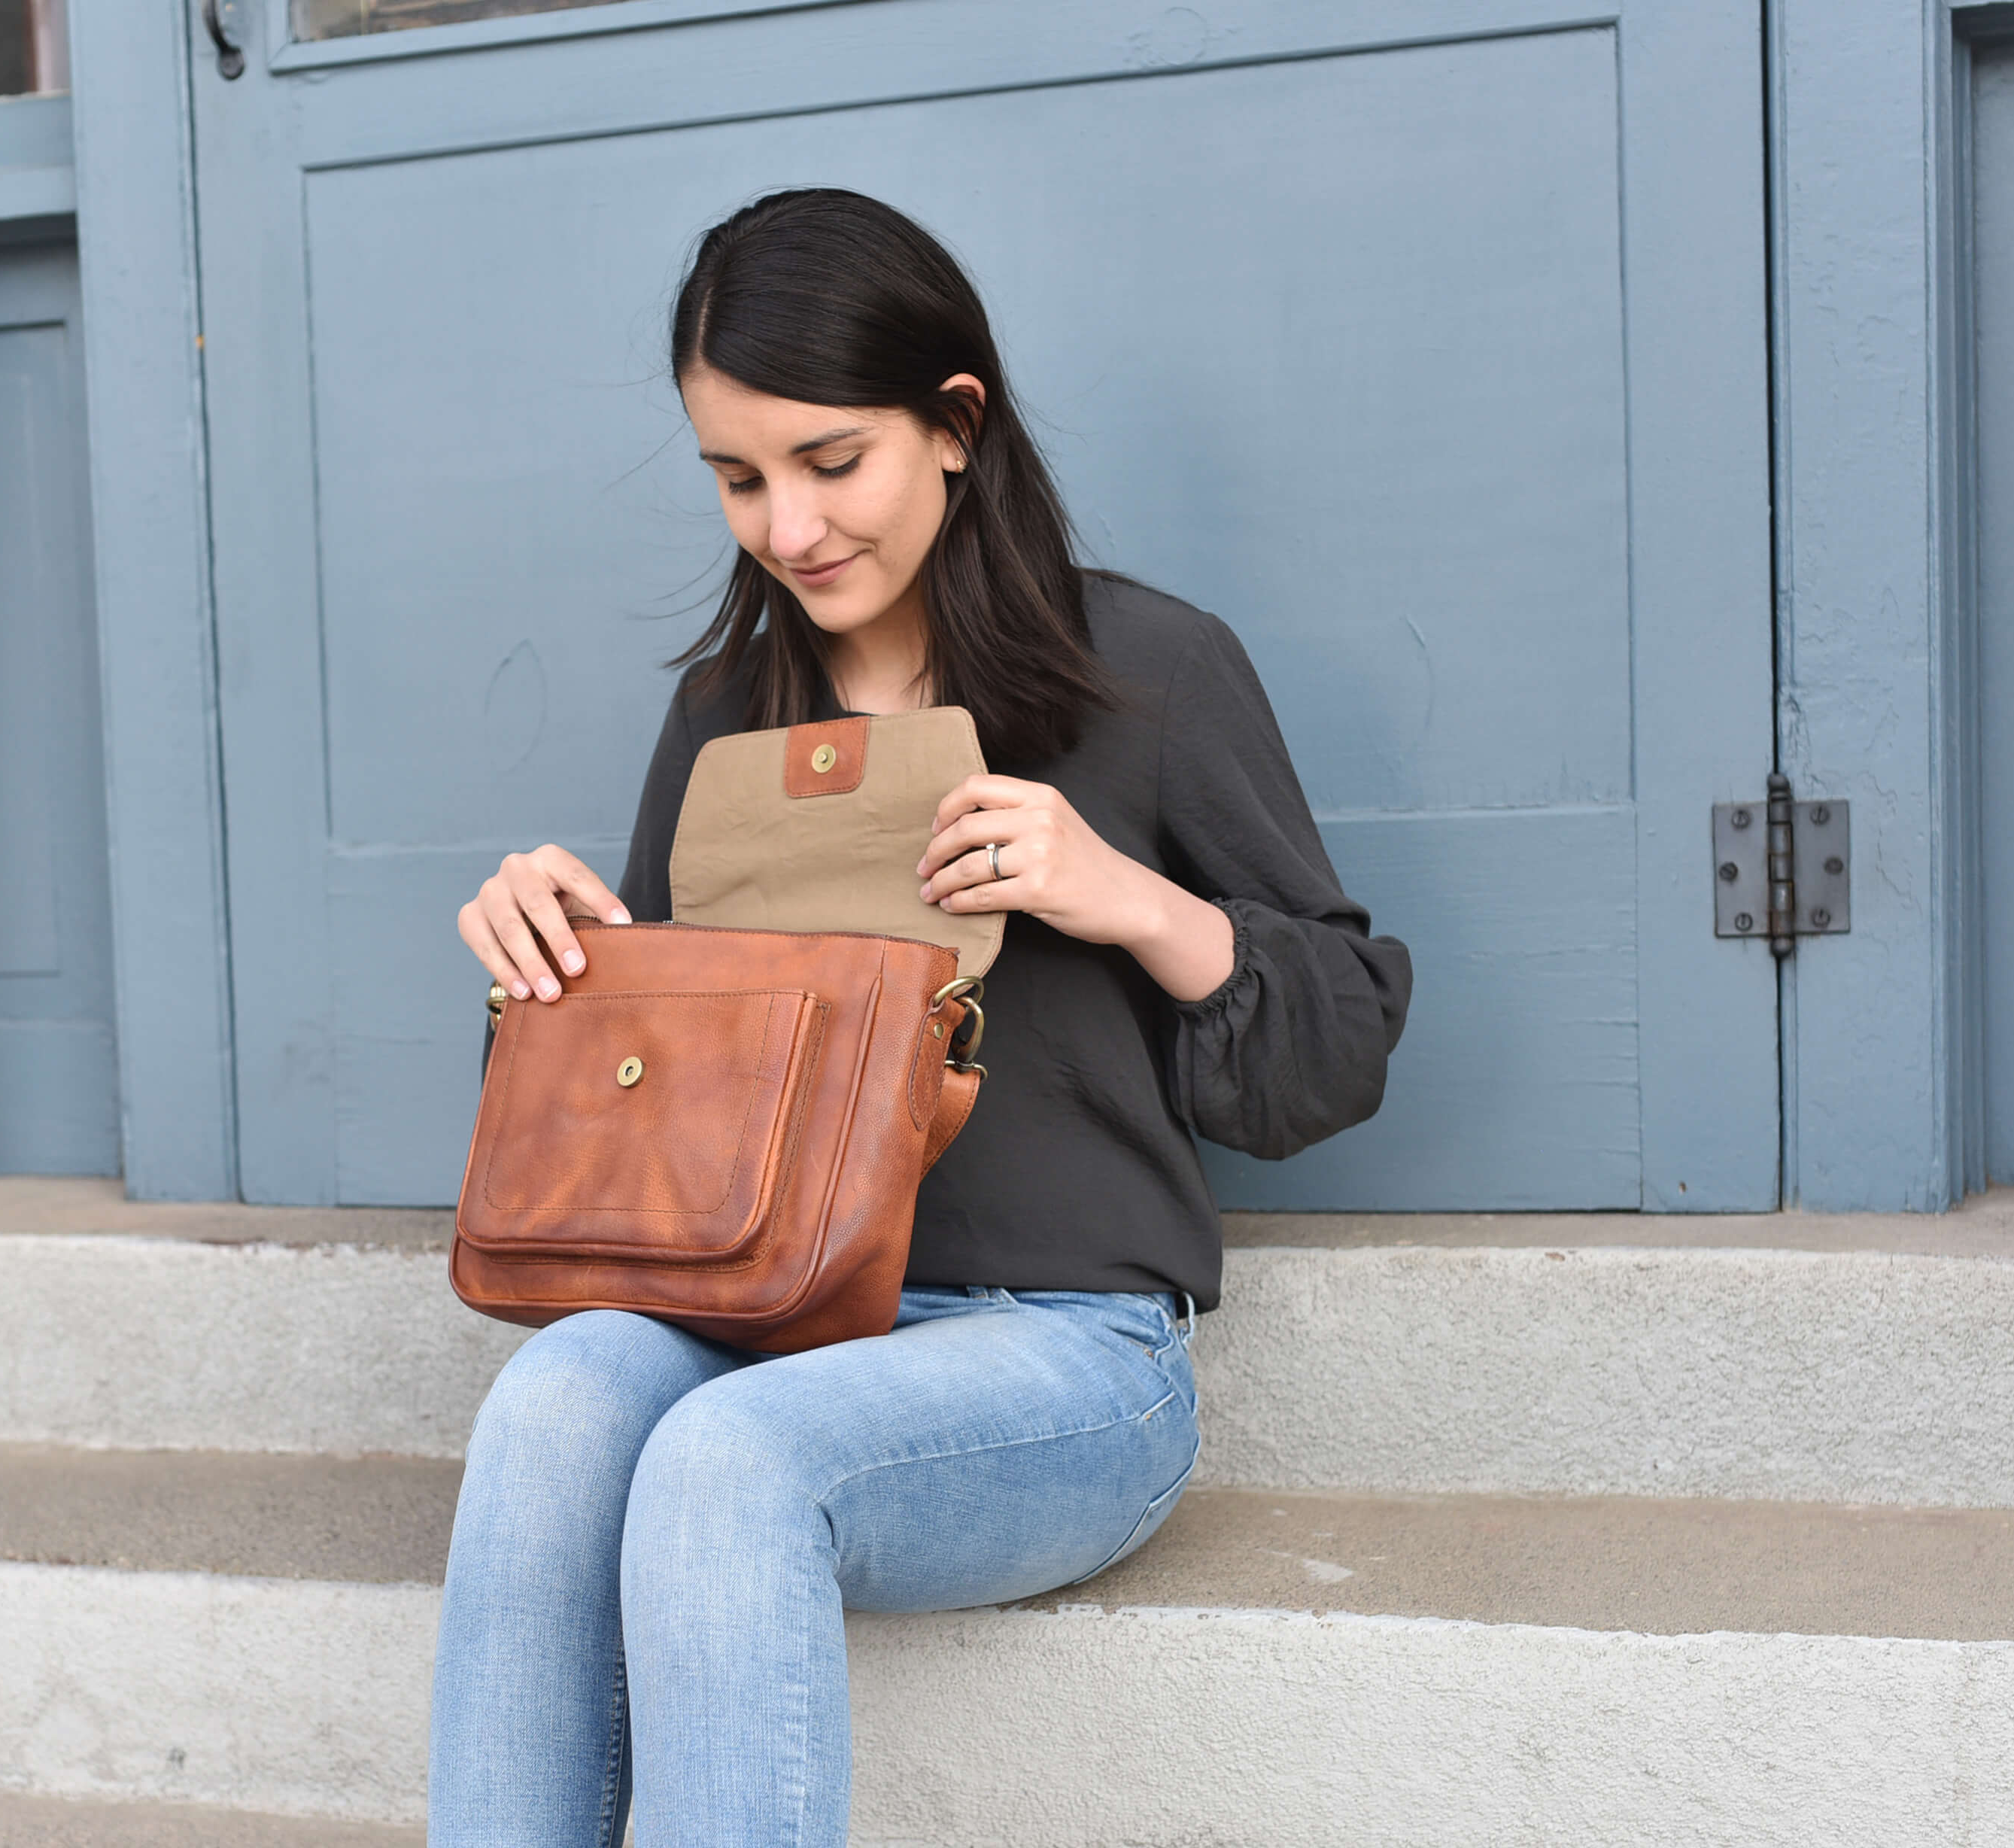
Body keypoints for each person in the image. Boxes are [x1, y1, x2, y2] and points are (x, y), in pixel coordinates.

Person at [431, 187, 1411, 1848]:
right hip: (769, 1310)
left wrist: (1127, 896)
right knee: (555, 1396)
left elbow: (1335, 1054)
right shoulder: (726, 717)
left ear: (955, 423)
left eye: (831, 461)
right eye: (739, 477)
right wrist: (559, 975)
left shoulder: (1149, 670)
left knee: (727, 1460)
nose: (789, 526)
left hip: (1066, 1350)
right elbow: (657, 1134)